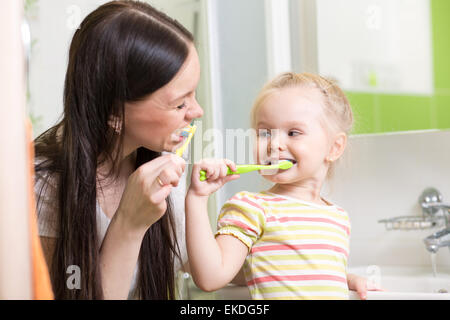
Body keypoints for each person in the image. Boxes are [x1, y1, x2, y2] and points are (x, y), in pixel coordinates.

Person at [34, 0, 203, 299]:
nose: (197, 112)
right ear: (113, 113)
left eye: (194, 95)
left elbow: (197, 265)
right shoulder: (43, 184)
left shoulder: (167, 157)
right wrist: (130, 223)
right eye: (180, 103)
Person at [186, 72, 381, 300]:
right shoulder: (251, 208)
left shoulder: (337, 218)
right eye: (265, 133)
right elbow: (212, 277)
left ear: (334, 147)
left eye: (293, 133)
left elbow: (296, 271)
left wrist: (347, 279)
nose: (275, 144)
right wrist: (197, 199)